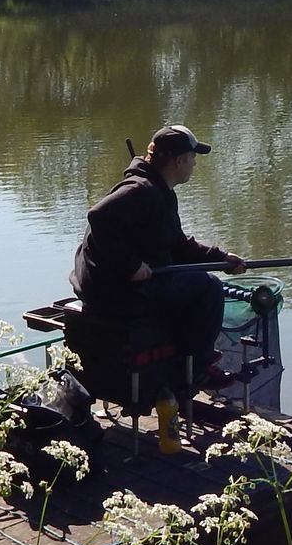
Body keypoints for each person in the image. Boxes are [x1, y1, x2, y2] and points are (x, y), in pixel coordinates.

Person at [70, 125, 247, 387]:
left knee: (194, 280)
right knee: (208, 288)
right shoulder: (141, 190)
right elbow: (99, 217)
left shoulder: (160, 191)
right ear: (179, 161)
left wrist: (221, 259)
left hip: (118, 287)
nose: (195, 164)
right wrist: (130, 265)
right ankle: (198, 366)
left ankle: (181, 361)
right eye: (192, 158)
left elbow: (176, 245)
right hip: (112, 293)